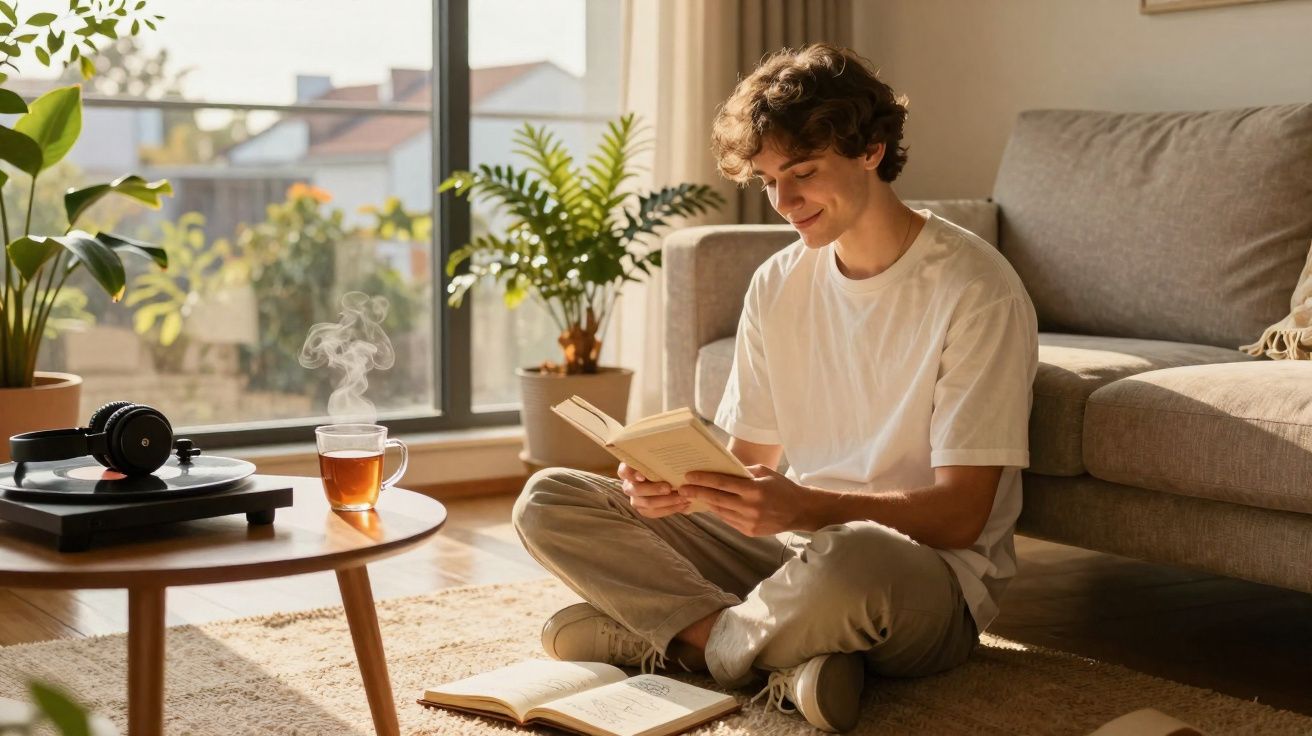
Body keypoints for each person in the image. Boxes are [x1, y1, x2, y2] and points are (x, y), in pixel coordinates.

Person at [512, 43, 1038, 733]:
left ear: (872, 151)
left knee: (852, 556)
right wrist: (682, 490)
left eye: (803, 173)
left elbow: (961, 516)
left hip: (917, 579)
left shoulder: (976, 289)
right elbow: (747, 463)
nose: (784, 203)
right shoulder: (777, 283)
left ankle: (680, 642)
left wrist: (799, 506)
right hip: (793, 559)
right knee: (549, 499)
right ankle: (778, 658)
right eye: (766, 180)